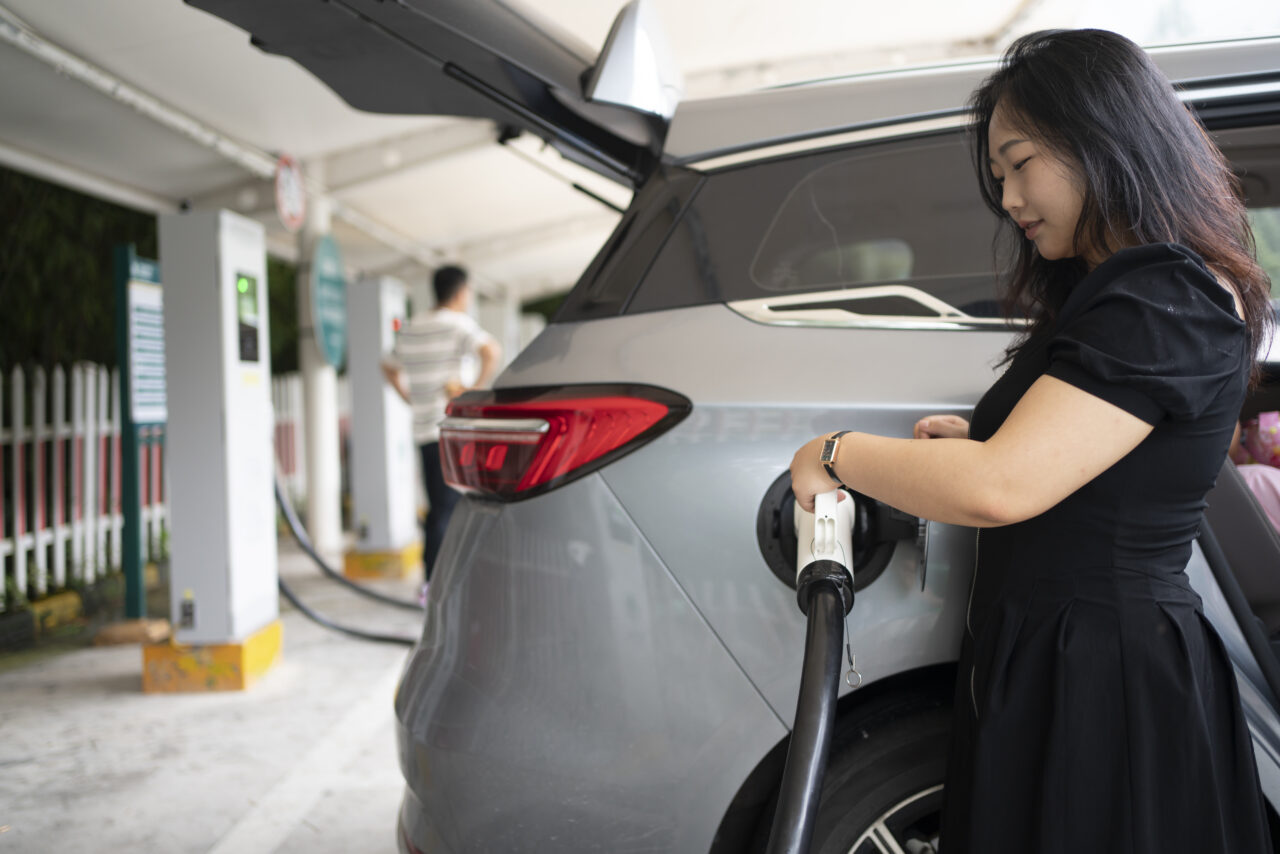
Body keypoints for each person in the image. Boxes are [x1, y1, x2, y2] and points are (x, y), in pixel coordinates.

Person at [789, 30, 1274, 853]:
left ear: (1102, 139)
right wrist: (987, 433)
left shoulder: (1165, 293)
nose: (1008, 197)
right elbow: (1098, 451)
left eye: (1019, 163)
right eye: (998, 176)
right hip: (1067, 659)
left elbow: (1000, 487)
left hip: (1103, 677)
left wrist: (831, 454)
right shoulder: (1130, 291)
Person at [384, 265, 500, 585]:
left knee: (438, 508)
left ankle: (431, 580)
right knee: (454, 510)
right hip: (452, 430)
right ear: (461, 292)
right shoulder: (457, 324)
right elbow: (491, 351)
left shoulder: (411, 327)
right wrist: (471, 390)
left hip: (424, 430)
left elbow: (388, 366)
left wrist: (409, 396)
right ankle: (442, 583)